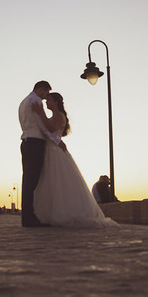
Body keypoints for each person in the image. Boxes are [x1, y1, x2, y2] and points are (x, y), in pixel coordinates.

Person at [32, 93, 118, 228]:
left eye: (48, 100)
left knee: (59, 182)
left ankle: (63, 213)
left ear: (55, 102)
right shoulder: (53, 116)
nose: (46, 102)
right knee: (50, 183)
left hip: (56, 153)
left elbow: (51, 128)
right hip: (50, 151)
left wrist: (40, 112)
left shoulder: (59, 116)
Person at [18, 81, 66, 227]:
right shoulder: (35, 101)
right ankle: (29, 218)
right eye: (46, 94)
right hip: (34, 143)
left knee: (28, 181)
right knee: (32, 182)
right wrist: (56, 140)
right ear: (41, 89)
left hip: (26, 141)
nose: (45, 99)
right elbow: (44, 127)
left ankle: (28, 216)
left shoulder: (24, 101)